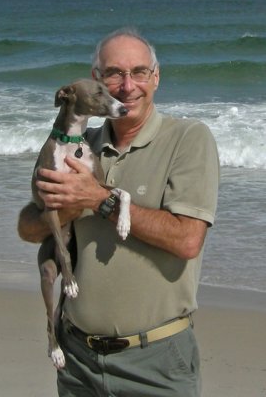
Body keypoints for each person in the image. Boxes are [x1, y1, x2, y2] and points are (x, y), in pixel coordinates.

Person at [18, 27, 220, 397]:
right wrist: (66, 206)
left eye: (140, 72)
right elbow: (29, 228)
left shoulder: (188, 139)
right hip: (78, 361)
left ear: (156, 77)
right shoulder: (77, 146)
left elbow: (188, 239)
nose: (128, 85)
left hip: (155, 363)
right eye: (114, 73)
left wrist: (98, 198)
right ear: (97, 81)